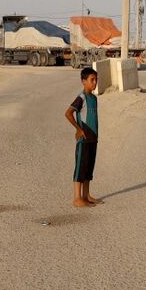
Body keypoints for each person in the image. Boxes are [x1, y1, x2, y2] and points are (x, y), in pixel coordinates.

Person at [64, 67, 101, 208]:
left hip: (93, 139)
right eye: (92, 80)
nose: (94, 83)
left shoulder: (94, 98)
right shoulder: (82, 98)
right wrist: (78, 129)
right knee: (80, 167)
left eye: (96, 80)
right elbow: (68, 113)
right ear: (83, 81)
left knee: (89, 168)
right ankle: (77, 198)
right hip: (84, 139)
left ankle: (86, 195)